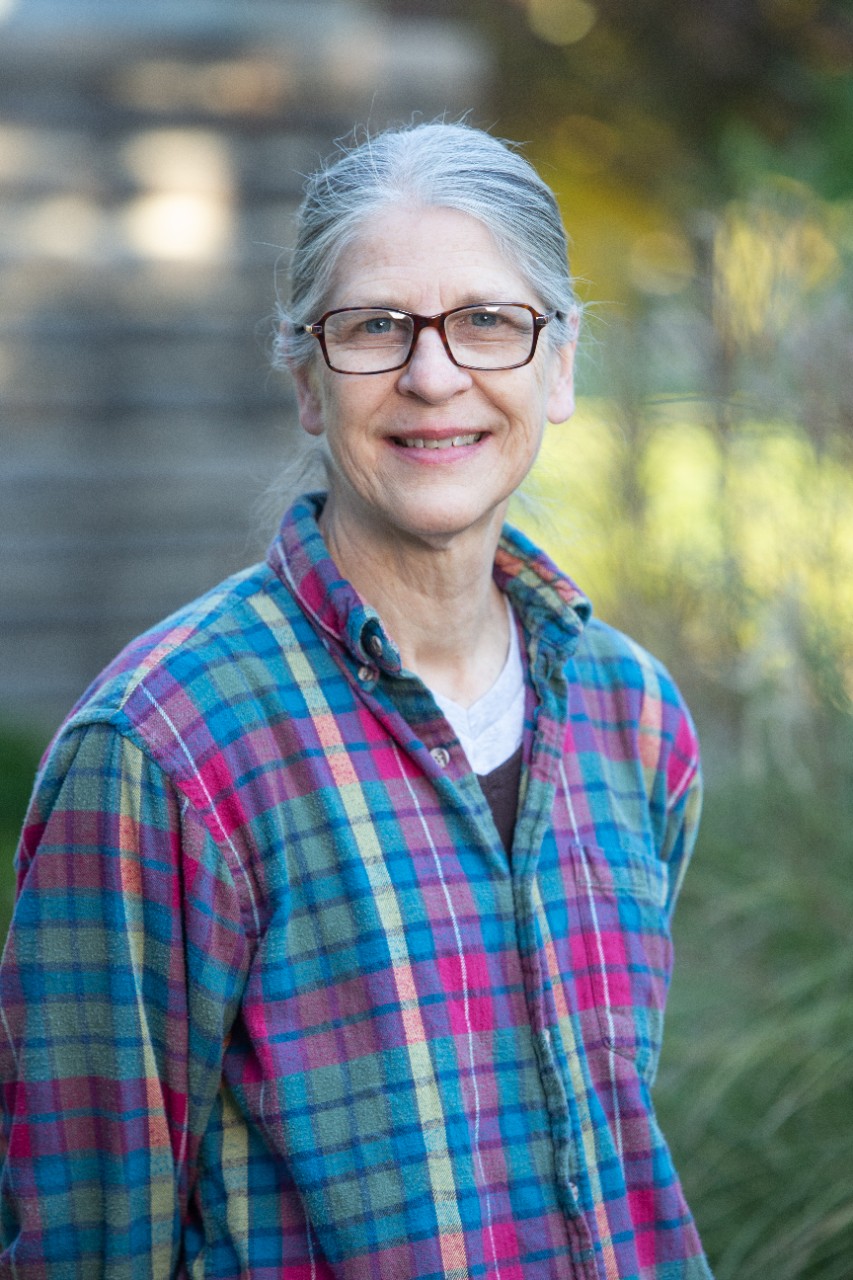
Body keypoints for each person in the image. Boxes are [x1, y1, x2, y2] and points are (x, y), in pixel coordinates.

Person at [0, 121, 713, 1279]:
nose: (434, 376)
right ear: (304, 375)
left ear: (562, 362)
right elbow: (85, 1236)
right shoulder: (164, 747)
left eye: (489, 320)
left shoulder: (633, 716)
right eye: (375, 327)